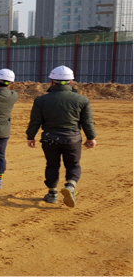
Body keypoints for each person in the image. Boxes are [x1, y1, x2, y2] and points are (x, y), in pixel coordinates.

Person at [26, 65, 96, 208]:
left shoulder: (41, 100)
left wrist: (30, 136)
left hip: (49, 138)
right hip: (72, 139)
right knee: (73, 165)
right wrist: (91, 137)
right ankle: (70, 186)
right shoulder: (82, 100)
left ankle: (52, 194)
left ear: (52, 81)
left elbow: (35, 121)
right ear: (71, 82)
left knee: (52, 165)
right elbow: (86, 121)